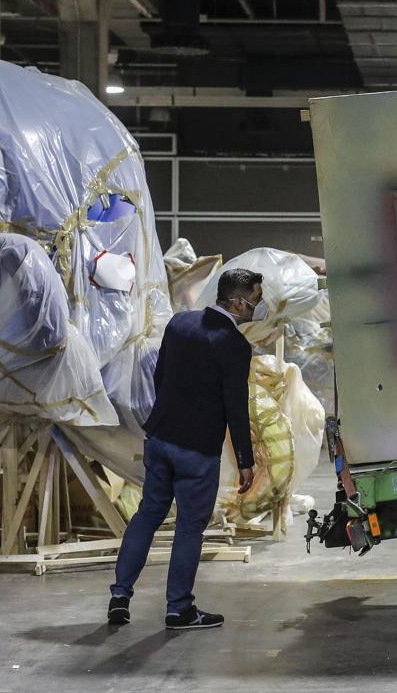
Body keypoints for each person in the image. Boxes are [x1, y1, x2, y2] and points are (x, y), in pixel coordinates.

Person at [107, 269, 265, 630]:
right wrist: (245, 460)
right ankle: (179, 609)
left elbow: (160, 375)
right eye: (256, 298)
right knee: (189, 529)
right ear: (239, 302)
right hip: (197, 449)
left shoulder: (180, 324)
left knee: (147, 514)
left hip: (160, 437)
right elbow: (234, 406)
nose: (259, 305)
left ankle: (119, 596)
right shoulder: (235, 345)